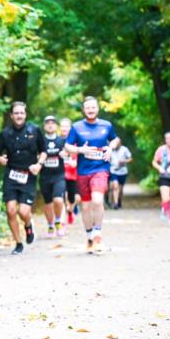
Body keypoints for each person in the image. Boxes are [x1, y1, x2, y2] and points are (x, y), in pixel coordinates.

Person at [0, 101, 47, 255]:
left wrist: (39, 164)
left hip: (28, 175)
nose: (19, 116)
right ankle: (18, 243)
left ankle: (28, 225)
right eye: (16, 113)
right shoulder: (5, 133)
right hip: (11, 175)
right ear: (11, 115)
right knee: (10, 210)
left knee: (23, 211)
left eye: (21, 113)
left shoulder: (34, 130)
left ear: (25, 114)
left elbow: (44, 150)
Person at [64, 96, 119, 253]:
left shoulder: (106, 125)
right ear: (83, 110)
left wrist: (110, 148)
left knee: (97, 200)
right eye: (87, 108)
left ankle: (97, 234)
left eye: (93, 107)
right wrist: (80, 150)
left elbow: (115, 139)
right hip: (83, 171)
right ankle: (89, 237)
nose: (90, 110)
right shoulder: (77, 127)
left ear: (97, 109)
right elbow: (67, 146)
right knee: (86, 206)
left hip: (100, 169)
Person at [39, 115, 67, 238]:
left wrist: (65, 153)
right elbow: (34, 154)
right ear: (44, 126)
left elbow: (69, 152)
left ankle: (58, 221)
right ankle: (50, 225)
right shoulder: (40, 141)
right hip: (45, 176)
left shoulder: (62, 140)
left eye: (52, 123)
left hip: (59, 175)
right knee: (48, 203)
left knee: (58, 200)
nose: (50, 125)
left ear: (56, 126)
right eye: (48, 123)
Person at [60, 117, 80, 226]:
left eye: (66, 126)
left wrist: (75, 162)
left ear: (70, 128)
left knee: (73, 198)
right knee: (62, 197)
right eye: (62, 126)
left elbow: (78, 155)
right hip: (60, 174)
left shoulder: (75, 142)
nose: (64, 128)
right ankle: (62, 221)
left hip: (73, 174)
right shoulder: (57, 141)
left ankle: (70, 211)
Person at [107, 143, 132, 210]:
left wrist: (124, 161)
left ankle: (119, 200)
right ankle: (115, 203)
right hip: (113, 171)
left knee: (120, 189)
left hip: (123, 171)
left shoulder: (125, 149)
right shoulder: (110, 149)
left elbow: (130, 158)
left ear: (120, 143)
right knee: (115, 186)